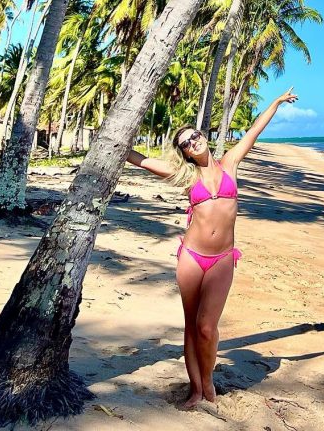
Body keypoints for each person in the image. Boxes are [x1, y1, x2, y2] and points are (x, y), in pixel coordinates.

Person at [126, 89, 298, 408]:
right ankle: (196, 390)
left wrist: (275, 103)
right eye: (187, 143)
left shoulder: (230, 163)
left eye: (196, 135)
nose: (194, 141)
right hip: (191, 257)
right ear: (186, 153)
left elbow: (254, 132)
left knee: (207, 326)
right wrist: (116, 135)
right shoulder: (186, 175)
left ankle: (207, 380)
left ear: (203, 136)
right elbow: (139, 159)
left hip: (222, 258)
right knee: (192, 326)